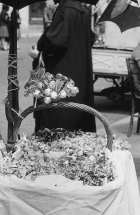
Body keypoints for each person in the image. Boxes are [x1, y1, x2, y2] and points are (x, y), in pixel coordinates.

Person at [31, 0, 96, 132]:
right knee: (77, 118)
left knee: (60, 119)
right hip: (78, 73)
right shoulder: (82, 11)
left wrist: (40, 52)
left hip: (62, 73)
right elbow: (90, 38)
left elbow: (55, 41)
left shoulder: (64, 10)